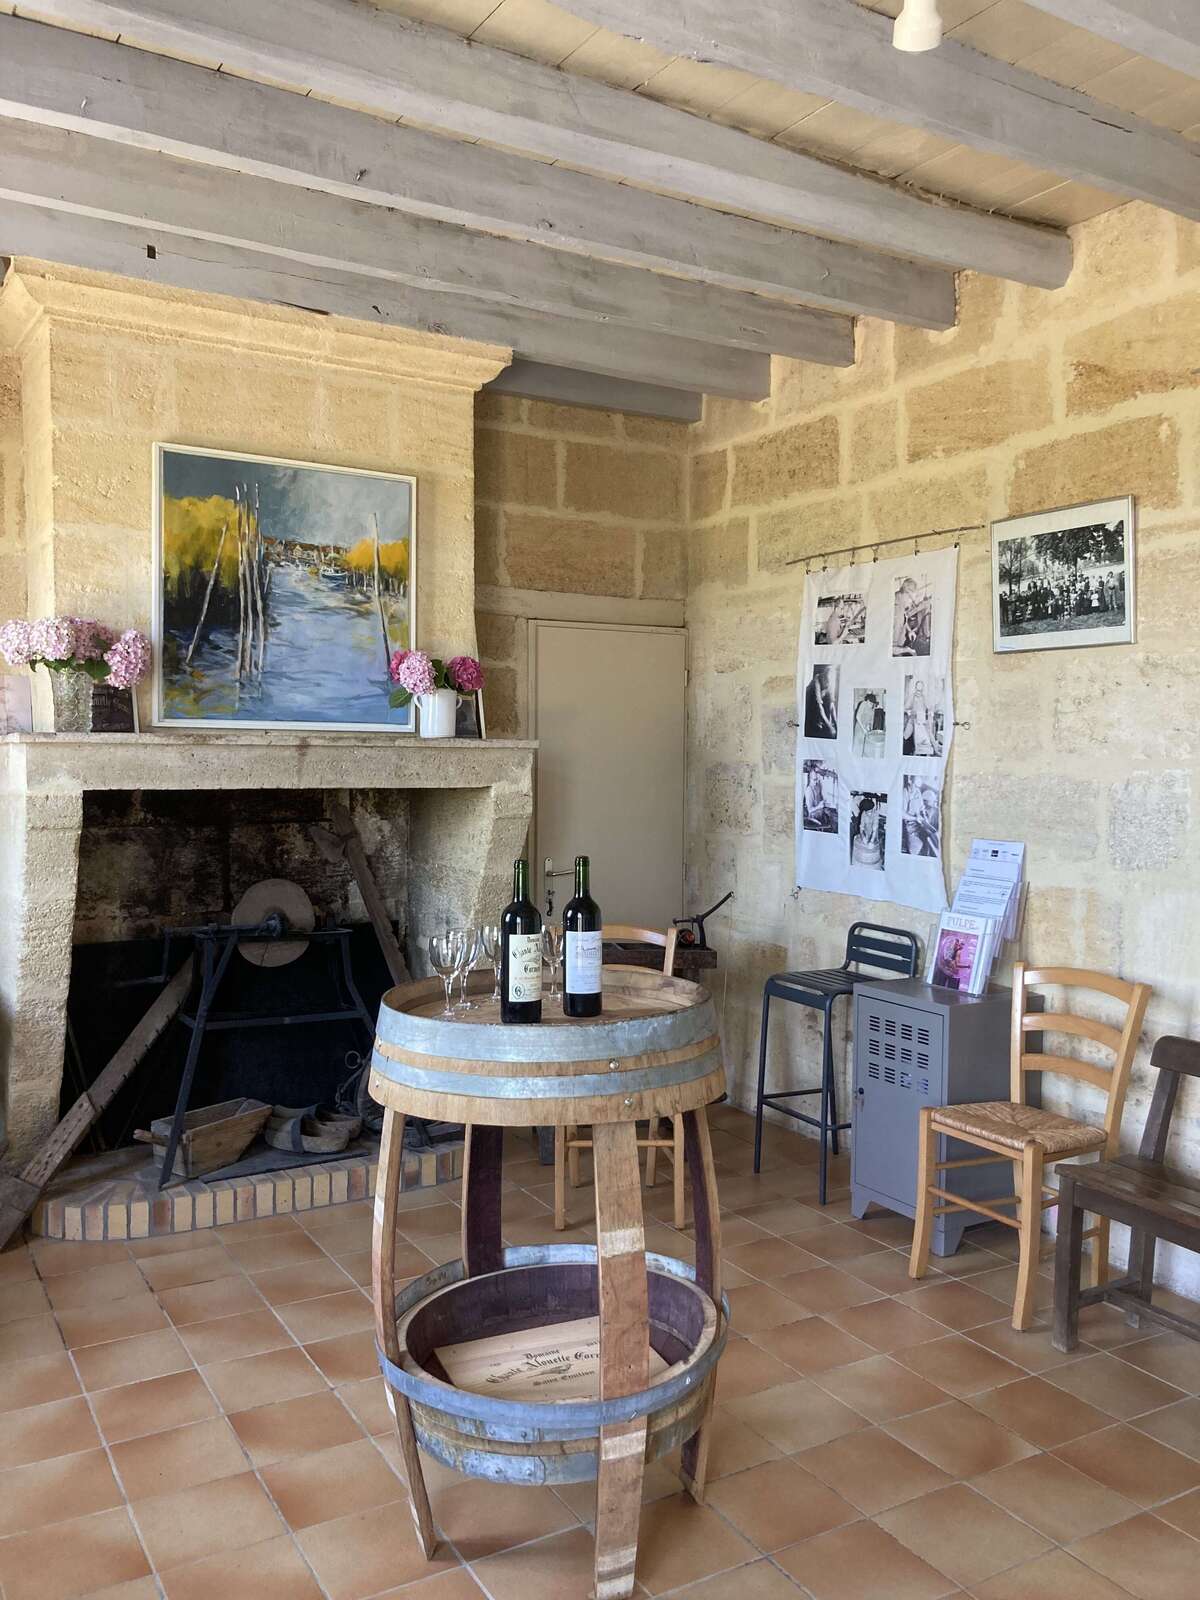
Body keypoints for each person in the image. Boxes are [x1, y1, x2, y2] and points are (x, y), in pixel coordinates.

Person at [804, 666, 837, 739]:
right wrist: (830, 727)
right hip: (810, 700)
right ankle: (818, 723)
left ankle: (823, 723)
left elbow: (832, 705)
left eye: (829, 681)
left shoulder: (831, 682)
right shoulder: (817, 679)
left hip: (821, 697)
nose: (828, 682)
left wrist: (836, 723)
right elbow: (819, 707)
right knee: (819, 725)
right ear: (824, 676)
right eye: (827, 680)